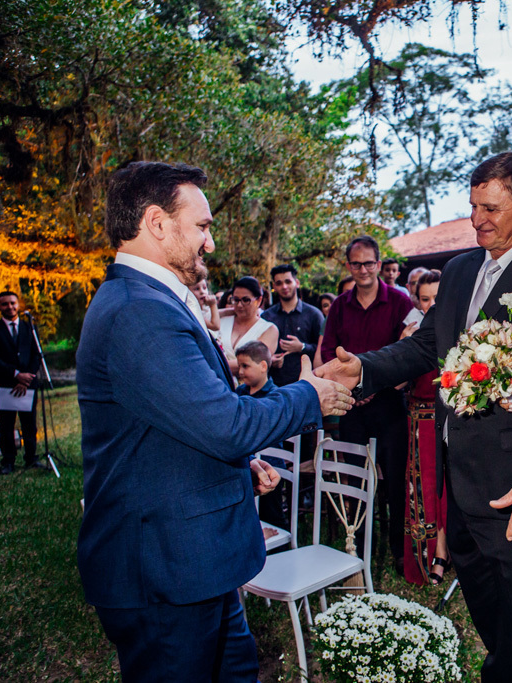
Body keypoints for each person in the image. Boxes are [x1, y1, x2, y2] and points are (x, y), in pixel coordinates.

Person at [317, 152, 512, 682]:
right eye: (474, 205)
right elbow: (429, 345)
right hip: (461, 484)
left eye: (492, 208)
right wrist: (362, 369)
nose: (478, 219)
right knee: (494, 628)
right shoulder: (457, 271)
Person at [75, 161, 352, 683]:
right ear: (157, 223)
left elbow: (175, 423)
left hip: (195, 560)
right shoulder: (139, 309)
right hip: (165, 572)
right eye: (201, 226)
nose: (210, 242)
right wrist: (310, 394)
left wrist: (236, 467)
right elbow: (224, 423)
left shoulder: (148, 300)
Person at [322, 235, 414, 572]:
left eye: (369, 263)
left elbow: (407, 353)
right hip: (350, 407)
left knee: (394, 481)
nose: (363, 269)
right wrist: (354, 389)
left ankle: (399, 550)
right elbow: (329, 352)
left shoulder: (400, 303)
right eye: (356, 264)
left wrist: (374, 384)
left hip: (389, 403)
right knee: (356, 480)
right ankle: (358, 546)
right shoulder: (339, 308)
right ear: (349, 266)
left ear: (379, 264)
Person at [399, 270, 450, 586]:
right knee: (427, 488)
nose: (432, 305)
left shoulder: (463, 329)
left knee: (453, 490)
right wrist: (404, 349)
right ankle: (434, 554)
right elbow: (398, 384)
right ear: (416, 301)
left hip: (459, 419)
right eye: (425, 299)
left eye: (437, 298)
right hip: (422, 420)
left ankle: (452, 550)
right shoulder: (411, 332)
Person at [0, 291, 42, 474]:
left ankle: (31, 458)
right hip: (5, 384)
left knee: (29, 423)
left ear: (19, 304)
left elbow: (36, 354)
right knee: (6, 424)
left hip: (28, 384)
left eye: (13, 303)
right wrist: (16, 375)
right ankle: (8, 461)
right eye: (5, 304)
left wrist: (26, 378)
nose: (10, 307)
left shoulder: (29, 327)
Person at [234, 340, 286, 535]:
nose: (240, 371)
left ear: (263, 366)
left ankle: (280, 545)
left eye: (245, 366)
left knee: (272, 511)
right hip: (247, 459)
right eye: (239, 366)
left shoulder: (274, 395)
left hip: (271, 464)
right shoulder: (239, 392)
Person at [262, 264, 324, 387]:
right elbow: (258, 351)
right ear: (274, 286)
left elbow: (323, 349)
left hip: (306, 384)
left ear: (297, 282)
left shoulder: (313, 314)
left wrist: (302, 347)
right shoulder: (266, 317)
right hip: (273, 386)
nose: (284, 286)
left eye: (288, 281)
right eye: (279, 283)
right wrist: (270, 359)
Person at [218, 276, 278, 376]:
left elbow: (253, 363)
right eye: (236, 300)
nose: (240, 305)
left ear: (258, 300)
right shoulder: (222, 320)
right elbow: (200, 318)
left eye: (246, 300)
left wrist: (213, 366)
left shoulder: (269, 329)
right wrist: (226, 311)